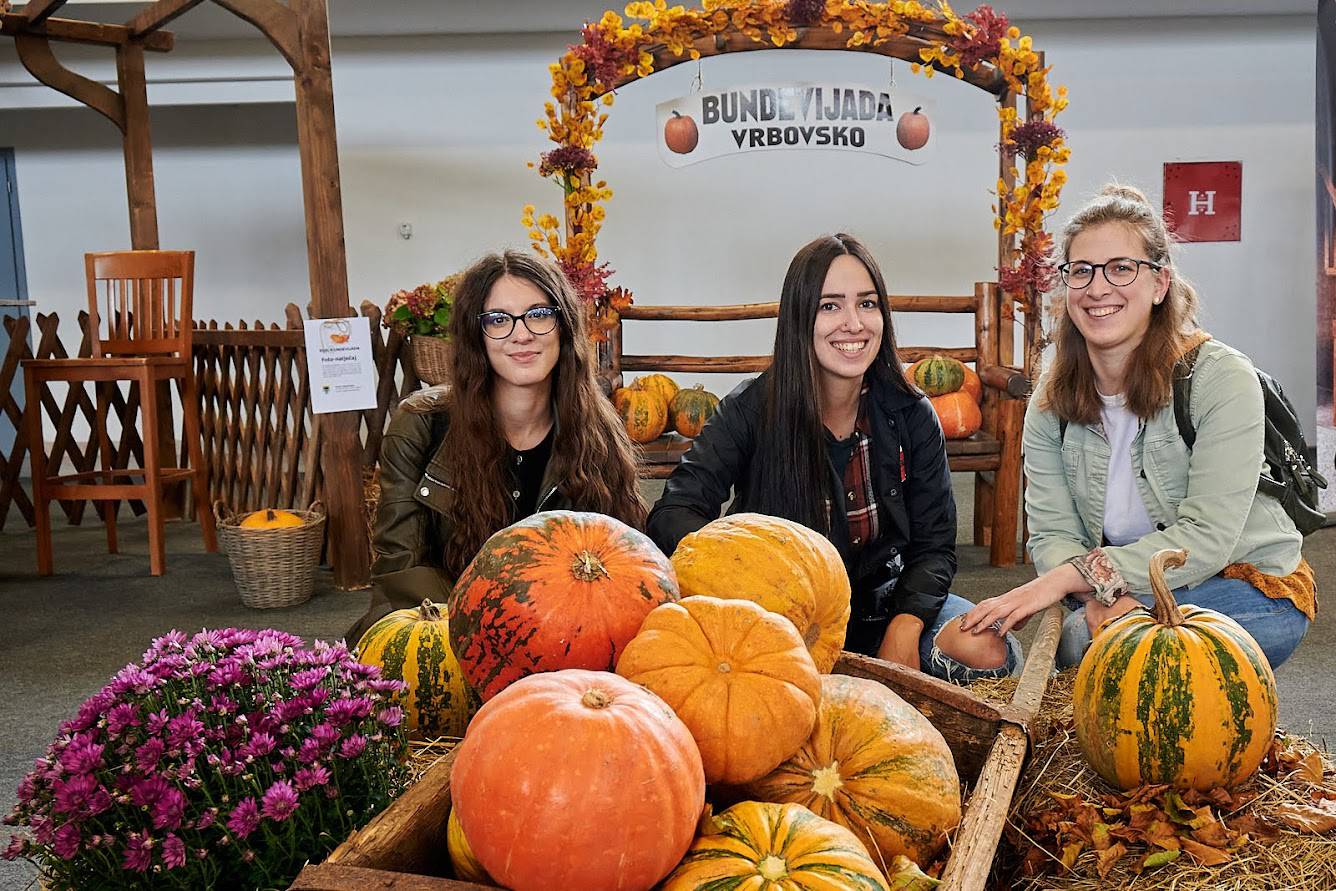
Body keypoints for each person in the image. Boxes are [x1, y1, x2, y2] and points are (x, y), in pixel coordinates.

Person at [960, 184, 1313, 669]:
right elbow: (1052, 533)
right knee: (1084, 649)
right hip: (1122, 584)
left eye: (1122, 268)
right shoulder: (1049, 401)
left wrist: (1070, 581)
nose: (1098, 288)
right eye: (1081, 271)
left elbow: (1205, 538)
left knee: (1125, 656)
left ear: (1160, 284)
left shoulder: (1220, 377)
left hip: (1242, 583)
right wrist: (1103, 592)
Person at [647, 233, 1021, 683]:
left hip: (882, 605)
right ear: (800, 317)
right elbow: (674, 512)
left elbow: (935, 545)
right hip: (780, 618)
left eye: (866, 304)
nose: (853, 324)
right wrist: (742, 569)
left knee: (988, 651)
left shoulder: (911, 412)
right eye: (829, 306)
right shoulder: (751, 408)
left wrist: (907, 623)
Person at [346, 250, 647, 644]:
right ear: (477, 335)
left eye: (539, 314)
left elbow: (625, 562)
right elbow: (399, 573)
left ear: (564, 327)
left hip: (562, 636)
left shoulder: (598, 432)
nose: (522, 334)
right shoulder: (419, 425)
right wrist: (495, 635)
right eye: (499, 320)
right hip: (447, 633)